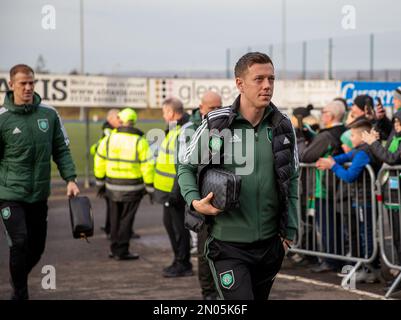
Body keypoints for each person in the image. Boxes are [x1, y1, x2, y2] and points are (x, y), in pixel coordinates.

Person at [178, 52, 299, 300]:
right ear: (239, 83)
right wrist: (194, 201)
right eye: (259, 79)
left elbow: (293, 178)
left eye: (271, 79)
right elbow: (185, 168)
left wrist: (290, 232)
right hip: (227, 245)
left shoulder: (283, 125)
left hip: (270, 245)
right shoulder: (216, 124)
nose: (267, 86)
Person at [0, 64, 80, 300]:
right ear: (11, 84)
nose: (27, 87)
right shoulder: (2, 118)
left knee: (37, 247)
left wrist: (71, 179)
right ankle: (20, 294)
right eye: (22, 83)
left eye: (31, 83)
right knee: (19, 242)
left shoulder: (49, 114)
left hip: (38, 194)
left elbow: (61, 150)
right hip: (9, 194)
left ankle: (18, 279)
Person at [316, 120, 382, 283]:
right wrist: (331, 160)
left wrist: (332, 166)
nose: (350, 139)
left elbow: (349, 176)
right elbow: (346, 156)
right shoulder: (362, 149)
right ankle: (370, 268)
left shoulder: (363, 153)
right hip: (364, 201)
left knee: (366, 235)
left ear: (362, 136)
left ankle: (369, 269)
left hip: (364, 201)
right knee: (365, 234)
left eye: (352, 135)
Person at [94, 108, 154, 260]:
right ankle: (122, 251)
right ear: (133, 122)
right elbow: (147, 166)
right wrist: (149, 188)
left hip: (112, 187)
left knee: (114, 219)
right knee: (126, 220)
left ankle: (114, 249)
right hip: (133, 188)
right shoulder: (140, 142)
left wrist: (100, 183)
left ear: (120, 121)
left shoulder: (108, 139)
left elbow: (99, 161)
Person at [181, 91, 221, 299]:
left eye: (218, 107)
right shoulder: (191, 130)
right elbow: (185, 165)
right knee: (205, 250)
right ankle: (208, 293)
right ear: (202, 107)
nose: (215, 111)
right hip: (199, 198)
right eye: (211, 108)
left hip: (221, 198)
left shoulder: (227, 126)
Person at [299, 100, 346, 273]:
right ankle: (337, 259)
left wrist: (310, 141)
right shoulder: (344, 131)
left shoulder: (327, 135)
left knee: (327, 226)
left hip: (325, 187)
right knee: (338, 226)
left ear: (330, 115)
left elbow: (306, 156)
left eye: (324, 111)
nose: (321, 115)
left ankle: (331, 261)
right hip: (340, 185)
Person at [154, 97, 193, 277]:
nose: (163, 116)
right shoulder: (174, 129)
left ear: (171, 112)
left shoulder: (184, 131)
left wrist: (176, 192)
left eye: (164, 112)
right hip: (167, 191)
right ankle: (178, 260)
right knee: (170, 226)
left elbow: (183, 164)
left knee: (179, 229)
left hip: (174, 191)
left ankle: (183, 264)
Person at [90, 109, 121, 238]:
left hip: (110, 172)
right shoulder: (110, 132)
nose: (120, 120)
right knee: (113, 205)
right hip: (110, 173)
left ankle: (110, 228)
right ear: (110, 119)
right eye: (117, 118)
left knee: (112, 205)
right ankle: (113, 231)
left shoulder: (108, 131)